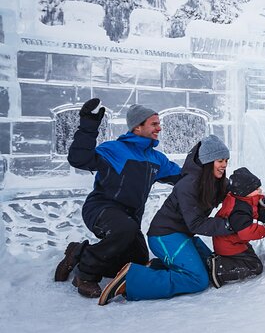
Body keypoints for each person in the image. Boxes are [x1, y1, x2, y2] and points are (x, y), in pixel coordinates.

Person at [97, 135, 260, 305]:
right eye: (220, 160)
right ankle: (132, 280)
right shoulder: (188, 185)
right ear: (207, 161)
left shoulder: (216, 182)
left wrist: (259, 204)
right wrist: (229, 225)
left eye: (226, 160)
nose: (224, 165)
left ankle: (154, 267)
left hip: (182, 236)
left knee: (208, 266)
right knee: (198, 279)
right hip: (164, 236)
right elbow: (196, 224)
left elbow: (237, 197)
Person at [55, 99, 182, 298]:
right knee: (124, 229)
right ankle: (86, 275)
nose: (160, 127)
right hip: (101, 208)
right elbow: (79, 159)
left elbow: (184, 178)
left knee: (137, 260)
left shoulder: (156, 159)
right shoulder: (115, 150)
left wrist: (210, 172)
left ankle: (79, 253)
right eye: (154, 123)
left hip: (129, 218)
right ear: (138, 127)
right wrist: (88, 126)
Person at [209, 167, 265, 287]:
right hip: (230, 245)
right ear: (246, 191)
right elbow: (247, 231)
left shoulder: (240, 198)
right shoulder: (238, 210)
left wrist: (262, 203)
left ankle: (224, 260)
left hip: (233, 242)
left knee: (249, 256)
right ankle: (220, 270)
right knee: (255, 266)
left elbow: (252, 203)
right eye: (257, 189)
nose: (260, 190)